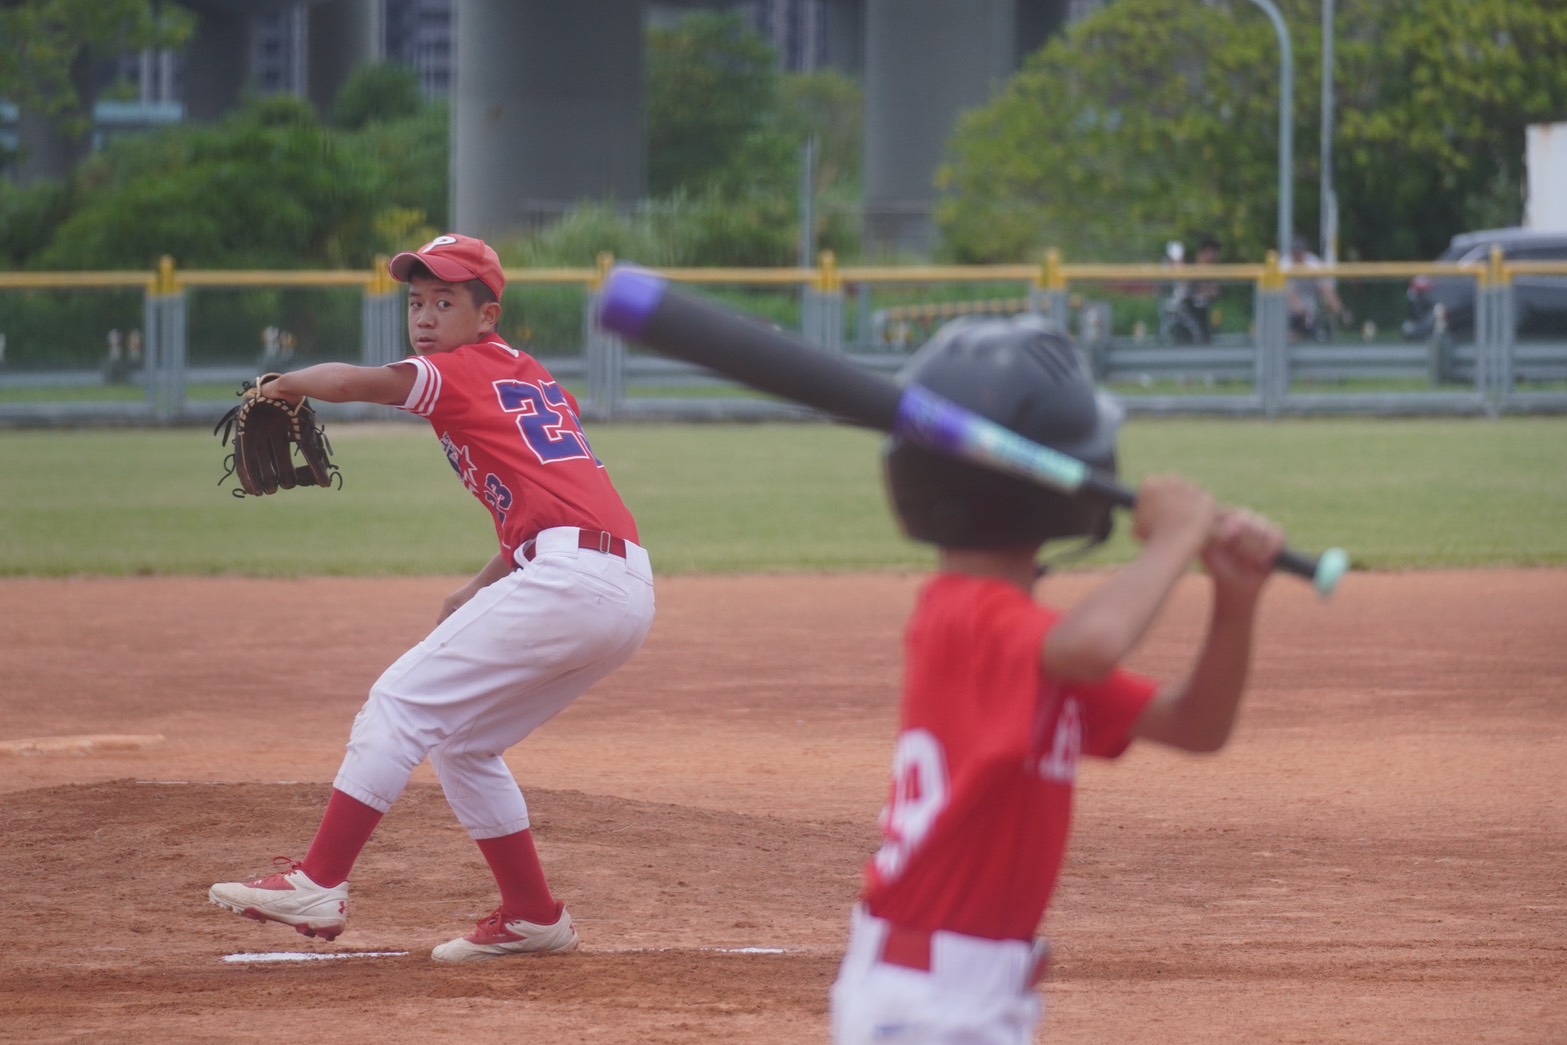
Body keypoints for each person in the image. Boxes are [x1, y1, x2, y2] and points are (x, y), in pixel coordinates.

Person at [828, 314, 1285, 1043]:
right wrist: (1173, 539)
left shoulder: (1028, 652)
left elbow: (1197, 726)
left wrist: (1233, 600)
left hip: (964, 996)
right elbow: (1093, 644)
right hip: (924, 1004)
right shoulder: (964, 618)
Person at [208, 233, 656, 962]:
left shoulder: (457, 372)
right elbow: (549, 502)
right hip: (619, 586)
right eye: (416, 300)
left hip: (573, 580)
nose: (424, 314)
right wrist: (480, 586)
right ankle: (533, 916)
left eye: (445, 301)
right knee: (464, 743)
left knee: (398, 705)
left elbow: (361, 384)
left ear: (487, 315)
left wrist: (287, 383)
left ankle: (318, 879)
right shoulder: (529, 376)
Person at [1283, 236, 1349, 340]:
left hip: (1310, 313)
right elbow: (1291, 295)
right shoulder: (1285, 265)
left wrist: (1340, 311)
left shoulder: (1313, 264)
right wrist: (1304, 315)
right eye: (1295, 252)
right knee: (1292, 340)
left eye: (1300, 252)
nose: (1298, 255)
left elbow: (1326, 290)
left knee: (1320, 335)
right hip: (1287, 315)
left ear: (1305, 252)